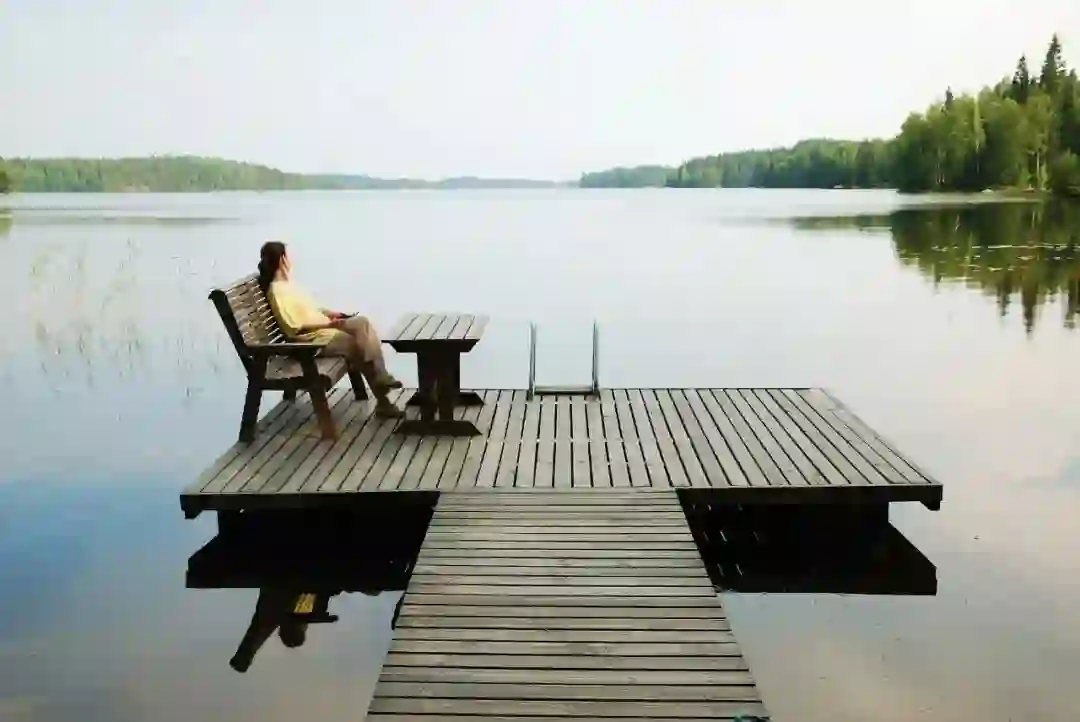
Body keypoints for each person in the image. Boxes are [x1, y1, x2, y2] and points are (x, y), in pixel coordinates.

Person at [257, 241, 404, 418]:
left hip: (325, 332)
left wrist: (331, 314)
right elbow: (292, 326)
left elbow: (312, 309)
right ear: (282, 260)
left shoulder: (289, 285)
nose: (291, 259)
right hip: (313, 342)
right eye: (288, 256)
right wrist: (327, 324)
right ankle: (383, 392)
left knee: (362, 328)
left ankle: (382, 386)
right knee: (359, 339)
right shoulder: (277, 291)